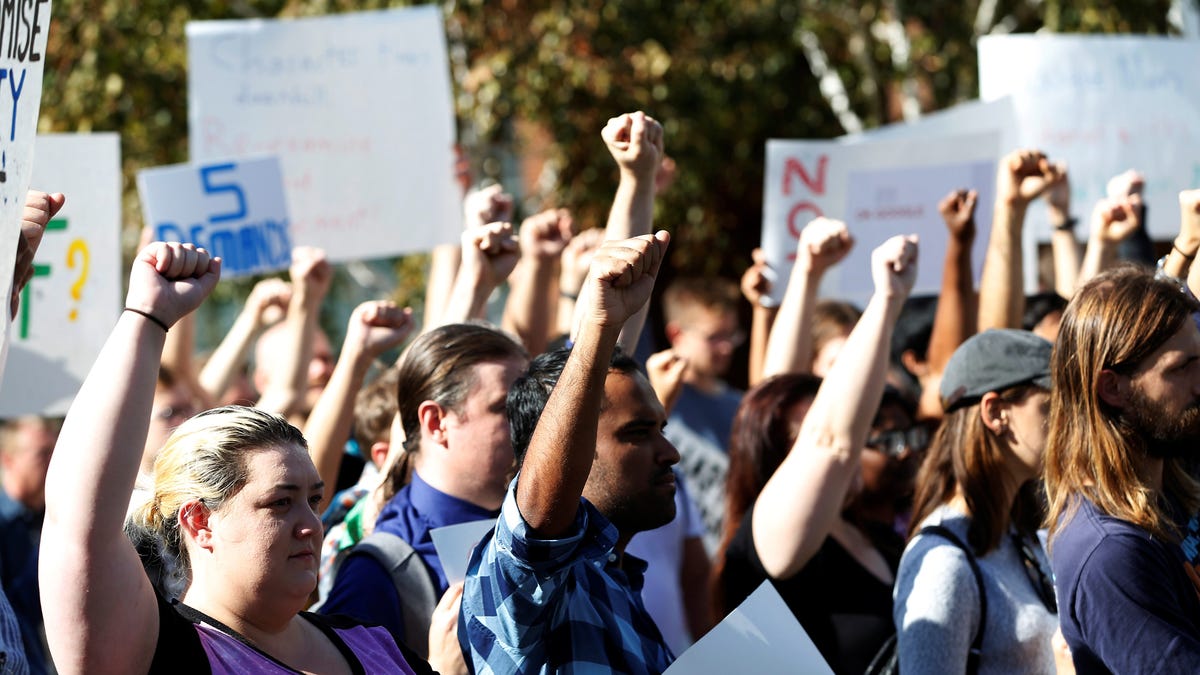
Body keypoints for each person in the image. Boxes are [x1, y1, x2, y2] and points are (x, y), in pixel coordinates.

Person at [39, 242, 432, 674]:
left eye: (314, 500)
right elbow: (79, 522)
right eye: (280, 503)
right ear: (200, 522)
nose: (311, 525)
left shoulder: (373, 643)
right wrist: (146, 318)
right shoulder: (161, 653)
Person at [460, 231, 676, 673]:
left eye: (661, 429)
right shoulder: (526, 581)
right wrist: (599, 325)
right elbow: (538, 518)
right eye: (638, 433)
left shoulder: (616, 580)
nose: (670, 452)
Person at [714, 235, 918, 675]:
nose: (860, 438)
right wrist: (886, 300)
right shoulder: (770, 539)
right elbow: (827, 439)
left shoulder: (876, 535)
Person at [320, 322, 528, 656]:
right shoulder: (381, 571)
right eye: (505, 408)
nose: (529, 421)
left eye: (531, 404)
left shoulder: (546, 520)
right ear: (436, 422)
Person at [1045, 263, 1200, 673]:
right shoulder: (1111, 553)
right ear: (1113, 388)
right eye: (1180, 368)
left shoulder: (1167, 485)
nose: (1199, 382)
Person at [894, 329, 1059, 672]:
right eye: (1052, 406)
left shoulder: (1019, 531)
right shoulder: (943, 564)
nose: (1070, 423)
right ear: (996, 412)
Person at [660, 276, 746, 551]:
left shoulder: (739, 404)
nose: (726, 348)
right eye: (714, 337)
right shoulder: (653, 401)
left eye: (731, 335)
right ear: (676, 335)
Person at [0, 416, 59, 675]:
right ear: (7, 460)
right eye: (43, 454)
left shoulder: (44, 515)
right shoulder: (4, 525)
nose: (55, 464)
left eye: (57, 453)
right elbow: (21, 607)